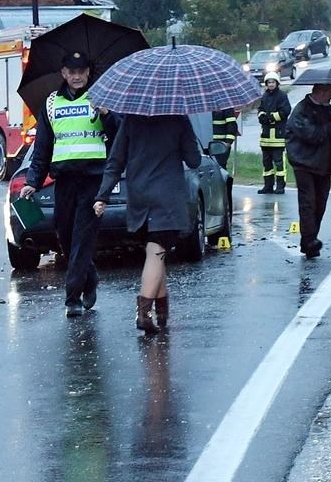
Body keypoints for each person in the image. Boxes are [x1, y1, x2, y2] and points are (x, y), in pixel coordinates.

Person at [18, 51, 118, 317]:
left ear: (88, 72)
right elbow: (42, 147)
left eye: (81, 71)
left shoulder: (100, 98)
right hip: (64, 180)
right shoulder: (52, 103)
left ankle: (72, 297)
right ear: (63, 73)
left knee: (83, 238)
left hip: (93, 180)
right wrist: (32, 181)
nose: (77, 76)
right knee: (64, 235)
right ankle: (90, 277)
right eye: (72, 71)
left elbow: (119, 134)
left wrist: (106, 114)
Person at [92, 114, 200, 334]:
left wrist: (103, 195)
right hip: (168, 198)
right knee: (156, 252)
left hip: (139, 196)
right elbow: (194, 160)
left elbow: (115, 161)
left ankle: (162, 313)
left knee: (156, 252)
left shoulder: (131, 120)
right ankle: (144, 313)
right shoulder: (179, 119)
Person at [284, 83, 331, 259]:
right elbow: (312, 135)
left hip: (323, 164)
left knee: (320, 203)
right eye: (330, 92)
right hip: (304, 163)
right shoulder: (301, 110)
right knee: (308, 203)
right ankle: (309, 241)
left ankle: (311, 239)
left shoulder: (328, 109)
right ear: (320, 91)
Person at [255, 72, 290, 194]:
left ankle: (280, 186)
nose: (271, 84)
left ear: (277, 83)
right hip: (265, 138)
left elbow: (285, 111)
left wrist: (270, 117)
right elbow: (260, 109)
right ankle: (268, 185)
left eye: (273, 82)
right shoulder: (264, 96)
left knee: (279, 163)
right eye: (269, 82)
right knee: (266, 163)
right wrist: (261, 116)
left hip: (278, 136)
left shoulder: (282, 96)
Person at [210, 106, 240, 171]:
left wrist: (228, 142)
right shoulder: (202, 107)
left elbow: (232, 126)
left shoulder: (226, 106)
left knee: (220, 168)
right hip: (204, 144)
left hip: (220, 144)